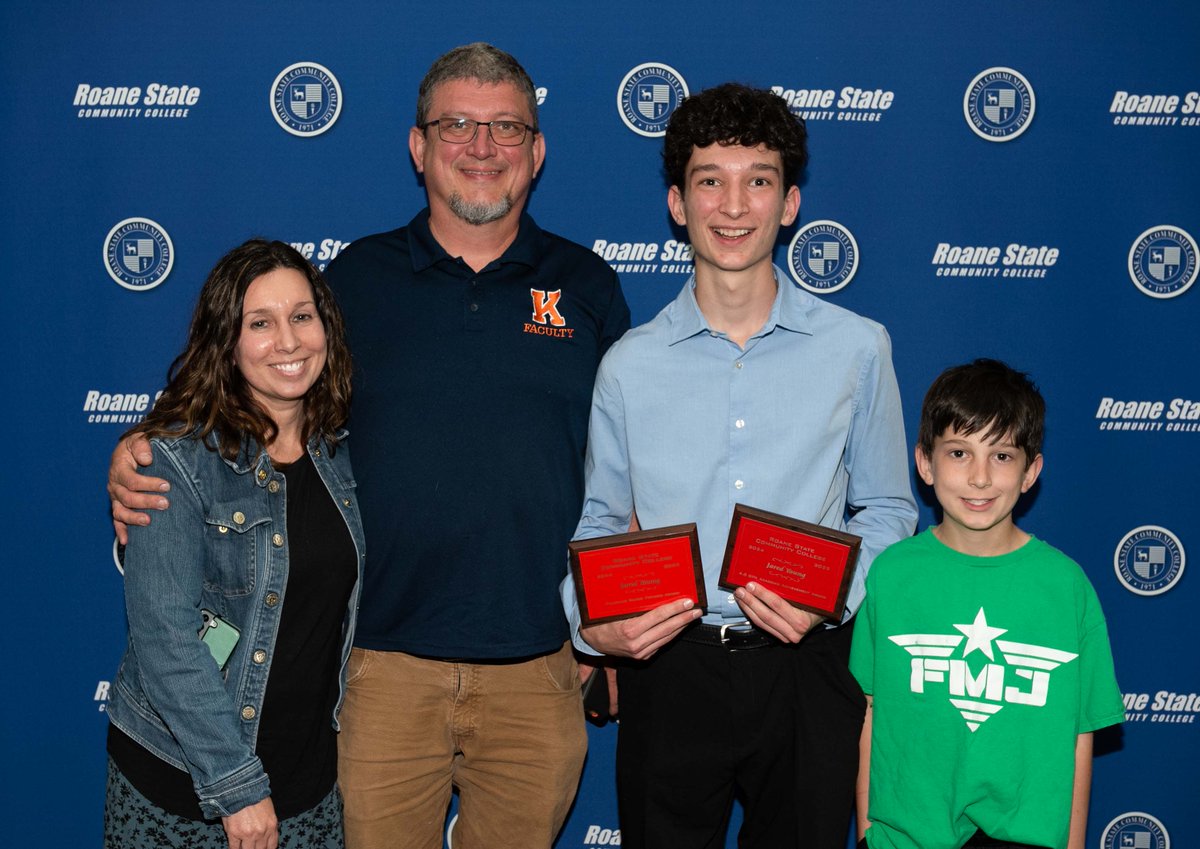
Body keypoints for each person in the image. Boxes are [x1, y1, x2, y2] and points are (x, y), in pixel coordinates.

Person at [108, 44, 630, 849]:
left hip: (540, 664)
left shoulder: (590, 286)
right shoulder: (353, 281)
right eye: (457, 125)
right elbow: (257, 392)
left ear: (538, 150)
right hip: (380, 669)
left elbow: (626, 467)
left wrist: (613, 625)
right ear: (418, 148)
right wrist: (145, 445)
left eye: (506, 128)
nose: (481, 148)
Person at [560, 83, 917, 849]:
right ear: (676, 203)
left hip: (809, 665)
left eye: (758, 180)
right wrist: (594, 624)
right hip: (672, 666)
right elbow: (599, 521)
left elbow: (889, 509)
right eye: (709, 180)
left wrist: (836, 596)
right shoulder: (628, 365)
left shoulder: (859, 348)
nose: (733, 204)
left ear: (789, 204)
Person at [104, 239, 363, 849]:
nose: (289, 341)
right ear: (227, 341)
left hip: (310, 785)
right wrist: (238, 787)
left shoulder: (344, 455)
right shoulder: (174, 459)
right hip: (184, 786)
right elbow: (166, 638)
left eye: (302, 316)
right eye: (260, 323)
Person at [850, 359, 1124, 849]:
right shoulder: (891, 573)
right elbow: (871, 714)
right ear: (925, 463)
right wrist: (870, 831)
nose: (979, 478)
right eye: (959, 452)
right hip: (906, 838)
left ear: (1030, 471)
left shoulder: (1066, 587)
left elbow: (1080, 736)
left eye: (1001, 456)